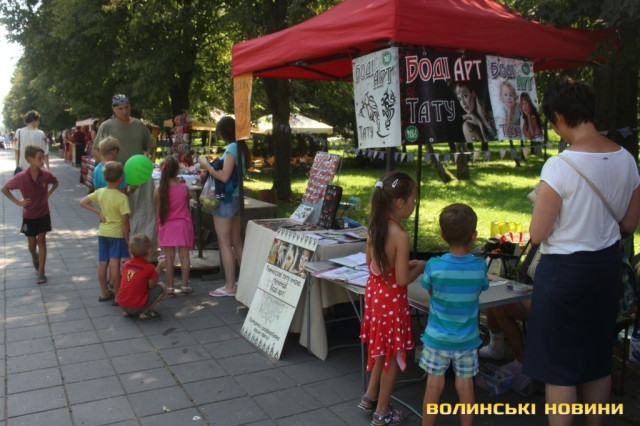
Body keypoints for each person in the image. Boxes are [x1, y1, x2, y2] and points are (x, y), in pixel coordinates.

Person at [523, 77, 640, 426]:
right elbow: (629, 223)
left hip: (564, 274)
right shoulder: (627, 159)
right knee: (596, 361)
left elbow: (537, 233)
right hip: (606, 269)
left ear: (559, 116)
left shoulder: (559, 166)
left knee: (559, 368)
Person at [358, 172, 424, 426]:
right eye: (413, 200)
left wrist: (402, 266)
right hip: (392, 304)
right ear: (399, 202)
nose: (414, 205)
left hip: (375, 298)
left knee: (380, 350)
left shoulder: (375, 226)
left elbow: (372, 264)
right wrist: (419, 267)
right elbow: (403, 279)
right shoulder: (400, 235)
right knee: (392, 356)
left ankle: (370, 396)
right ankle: (382, 412)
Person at [419, 203, 488, 426]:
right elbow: (480, 289)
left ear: (442, 235)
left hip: (437, 338)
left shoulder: (434, 265)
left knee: (433, 384)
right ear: (474, 236)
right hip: (467, 339)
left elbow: (430, 290)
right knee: (465, 385)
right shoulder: (480, 266)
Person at [94, 94, 157, 258]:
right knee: (120, 216)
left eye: (127, 107)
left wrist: (148, 154)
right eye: (120, 108)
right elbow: (96, 150)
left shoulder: (139, 125)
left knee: (143, 213)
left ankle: (142, 252)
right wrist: (107, 167)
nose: (124, 111)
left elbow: (149, 145)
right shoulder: (107, 126)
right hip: (117, 179)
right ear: (113, 109)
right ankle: (121, 252)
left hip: (139, 177)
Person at [198, 116, 251, 297]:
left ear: (223, 132)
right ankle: (245, 281)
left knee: (225, 243)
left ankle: (230, 285)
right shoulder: (241, 148)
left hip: (226, 200)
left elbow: (223, 176)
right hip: (236, 199)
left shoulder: (232, 148)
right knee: (236, 241)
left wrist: (206, 165)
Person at [1, 145, 58, 284]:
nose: (42, 161)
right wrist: (18, 202)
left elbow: (55, 182)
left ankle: (41, 271)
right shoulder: (21, 177)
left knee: (42, 240)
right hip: (29, 215)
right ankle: (34, 257)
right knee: (32, 245)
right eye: (39, 158)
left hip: (43, 213)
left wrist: (49, 193)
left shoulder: (46, 175)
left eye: (43, 158)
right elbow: (4, 188)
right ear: (29, 159)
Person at [79, 161, 131, 304]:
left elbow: (82, 202)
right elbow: (125, 221)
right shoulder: (122, 198)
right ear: (120, 178)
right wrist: (127, 238)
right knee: (115, 265)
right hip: (117, 234)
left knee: (103, 263)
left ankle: (104, 292)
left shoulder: (100, 192)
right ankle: (118, 296)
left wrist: (98, 212)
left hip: (103, 232)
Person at [154, 156, 194, 296]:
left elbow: (157, 205)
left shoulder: (159, 189)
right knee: (184, 257)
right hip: (182, 224)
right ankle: (185, 285)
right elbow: (187, 203)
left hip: (166, 225)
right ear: (177, 171)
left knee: (169, 258)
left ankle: (170, 287)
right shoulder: (184, 187)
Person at [117, 233, 167, 320]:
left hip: (122, 304)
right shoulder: (149, 267)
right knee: (163, 286)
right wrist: (159, 268)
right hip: (137, 306)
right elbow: (152, 285)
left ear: (130, 251)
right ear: (149, 251)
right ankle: (145, 311)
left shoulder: (125, 265)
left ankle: (128, 311)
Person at [453, 81, 496, 151]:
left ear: (473, 94)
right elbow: (480, 151)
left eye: (465, 96)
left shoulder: (490, 114)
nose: (463, 103)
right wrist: (479, 123)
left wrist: (483, 119)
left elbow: (495, 143)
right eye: (459, 99)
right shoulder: (467, 125)